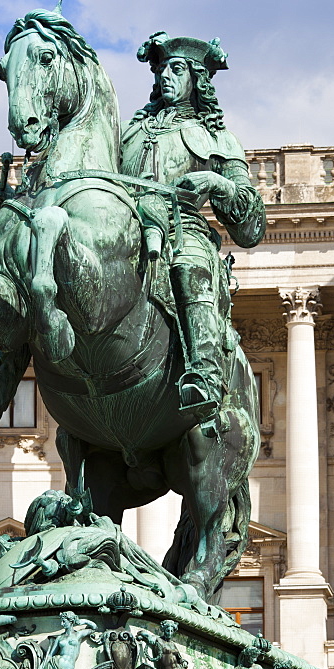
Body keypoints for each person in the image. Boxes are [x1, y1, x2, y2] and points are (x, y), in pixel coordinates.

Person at [121, 32, 266, 423]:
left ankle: (206, 374)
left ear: (197, 79)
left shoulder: (217, 138)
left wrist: (216, 183)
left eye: (177, 68)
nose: (166, 75)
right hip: (124, 230)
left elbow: (251, 226)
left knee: (190, 266)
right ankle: (0, 377)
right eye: (162, 68)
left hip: (184, 230)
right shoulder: (128, 136)